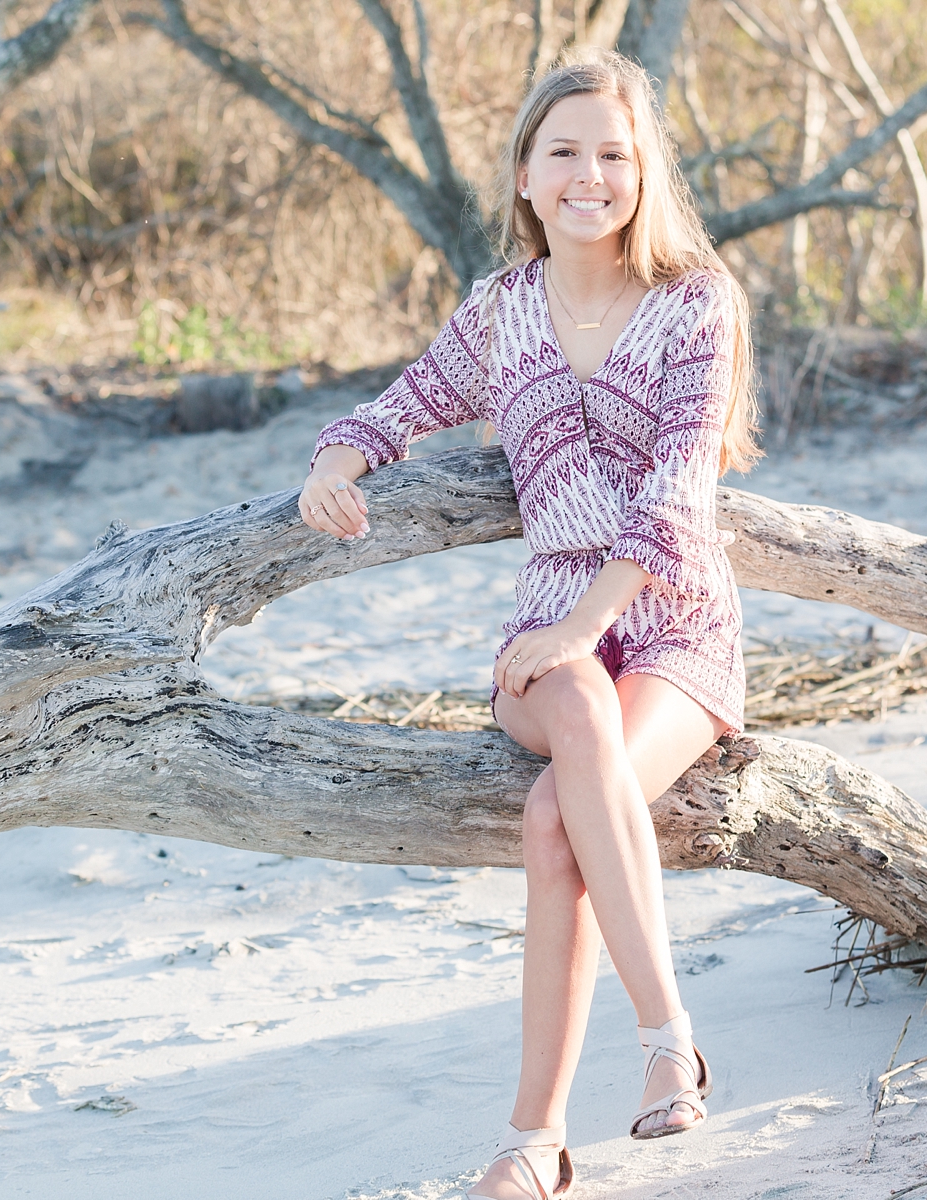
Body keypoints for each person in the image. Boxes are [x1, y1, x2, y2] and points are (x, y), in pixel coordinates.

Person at [299, 49, 759, 1200]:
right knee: (575, 720)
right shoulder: (500, 313)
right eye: (565, 152)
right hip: (545, 633)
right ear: (523, 174)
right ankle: (670, 1045)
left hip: (675, 625)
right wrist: (336, 461)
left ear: (646, 171)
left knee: (561, 810)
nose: (589, 174)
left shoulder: (698, 303)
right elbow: (394, 408)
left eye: (615, 153)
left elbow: (677, 498)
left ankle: (537, 1138)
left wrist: (591, 622)